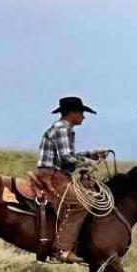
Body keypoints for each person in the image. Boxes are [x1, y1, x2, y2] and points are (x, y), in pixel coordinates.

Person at [36, 96, 108, 262]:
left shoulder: (62, 128)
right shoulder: (63, 129)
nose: (84, 116)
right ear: (73, 113)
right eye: (82, 113)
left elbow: (68, 155)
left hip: (54, 174)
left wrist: (92, 154)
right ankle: (60, 250)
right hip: (54, 177)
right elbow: (66, 159)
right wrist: (87, 164)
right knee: (83, 202)